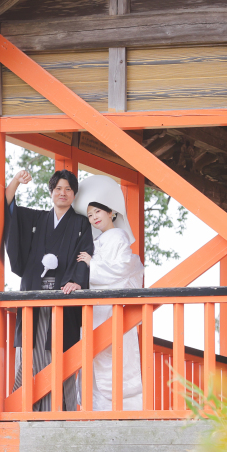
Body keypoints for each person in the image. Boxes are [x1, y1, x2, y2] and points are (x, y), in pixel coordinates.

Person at [4, 169, 94, 411]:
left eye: (67, 189)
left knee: (59, 356)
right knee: (30, 353)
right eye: (58, 189)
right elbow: (7, 206)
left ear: (74, 194)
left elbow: (85, 255)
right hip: (35, 297)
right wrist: (15, 181)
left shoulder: (80, 224)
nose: (62, 193)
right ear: (51, 192)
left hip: (63, 300)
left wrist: (77, 280)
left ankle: (59, 410)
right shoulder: (37, 220)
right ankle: (24, 407)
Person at [73, 175, 144, 411]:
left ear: (111, 212)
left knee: (114, 359)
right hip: (98, 310)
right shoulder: (101, 240)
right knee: (97, 360)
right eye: (90, 214)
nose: (93, 218)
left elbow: (121, 270)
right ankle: (96, 409)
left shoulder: (117, 237)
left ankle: (119, 409)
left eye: (98, 212)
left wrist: (91, 265)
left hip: (109, 308)